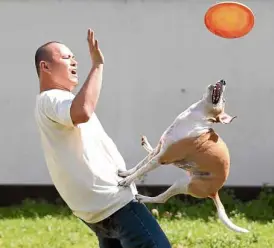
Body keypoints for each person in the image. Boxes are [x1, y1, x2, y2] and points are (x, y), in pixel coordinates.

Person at [34, 28, 171, 248]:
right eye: (67, 57)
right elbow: (83, 111)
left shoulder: (58, 100)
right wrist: (97, 65)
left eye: (74, 58)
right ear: (45, 66)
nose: (74, 62)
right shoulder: (52, 98)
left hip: (95, 209)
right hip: (114, 202)